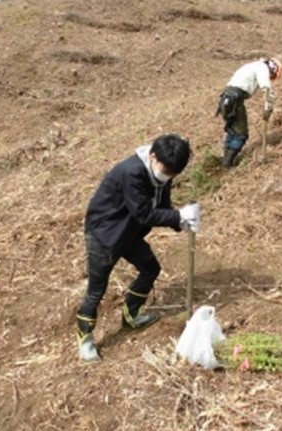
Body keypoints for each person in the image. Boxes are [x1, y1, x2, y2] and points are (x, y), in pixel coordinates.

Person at [76, 134, 200, 362]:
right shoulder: (131, 172)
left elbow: (161, 206)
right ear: (152, 156)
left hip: (130, 231)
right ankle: (85, 338)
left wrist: (180, 222)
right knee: (96, 289)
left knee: (150, 268)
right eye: (166, 171)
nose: (168, 177)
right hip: (104, 234)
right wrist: (178, 216)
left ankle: (131, 314)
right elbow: (144, 213)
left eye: (173, 174)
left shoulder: (164, 172)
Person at [215, 58, 282, 167]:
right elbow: (266, 89)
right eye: (272, 76)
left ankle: (225, 158)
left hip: (226, 99)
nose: (270, 78)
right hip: (235, 99)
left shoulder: (251, 66)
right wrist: (268, 107)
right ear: (273, 69)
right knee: (241, 134)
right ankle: (227, 163)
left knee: (233, 131)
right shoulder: (262, 68)